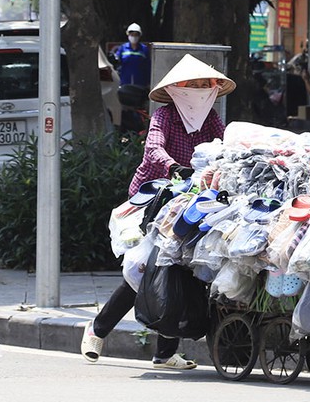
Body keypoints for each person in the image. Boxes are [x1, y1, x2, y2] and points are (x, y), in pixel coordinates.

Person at [81, 53, 236, 370]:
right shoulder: (164, 116)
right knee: (147, 268)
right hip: (157, 198)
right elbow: (153, 148)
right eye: (195, 84)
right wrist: (174, 166)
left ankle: (164, 353)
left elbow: (226, 146)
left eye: (206, 85)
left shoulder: (210, 120)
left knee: (185, 270)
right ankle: (97, 330)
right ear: (180, 88)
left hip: (197, 199)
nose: (201, 90)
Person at [112, 22, 151, 88]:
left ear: (139, 36)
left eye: (136, 35)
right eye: (132, 34)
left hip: (140, 84)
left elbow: (148, 66)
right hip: (125, 83)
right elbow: (116, 62)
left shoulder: (144, 49)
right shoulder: (123, 48)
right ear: (128, 35)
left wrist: (148, 82)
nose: (134, 37)